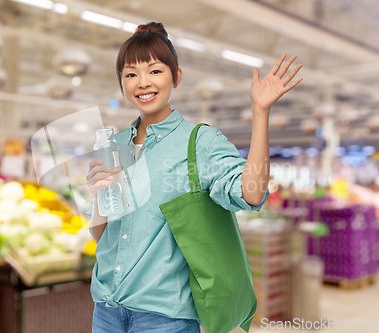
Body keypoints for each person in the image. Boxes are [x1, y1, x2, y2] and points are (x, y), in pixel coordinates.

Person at [85, 22, 302, 333]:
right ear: (121, 82)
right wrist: (98, 196)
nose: (143, 83)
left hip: (164, 318)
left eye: (155, 71)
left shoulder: (199, 142)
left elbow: (252, 194)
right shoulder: (113, 146)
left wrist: (260, 112)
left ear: (177, 76)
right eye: (131, 74)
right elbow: (104, 238)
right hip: (106, 311)